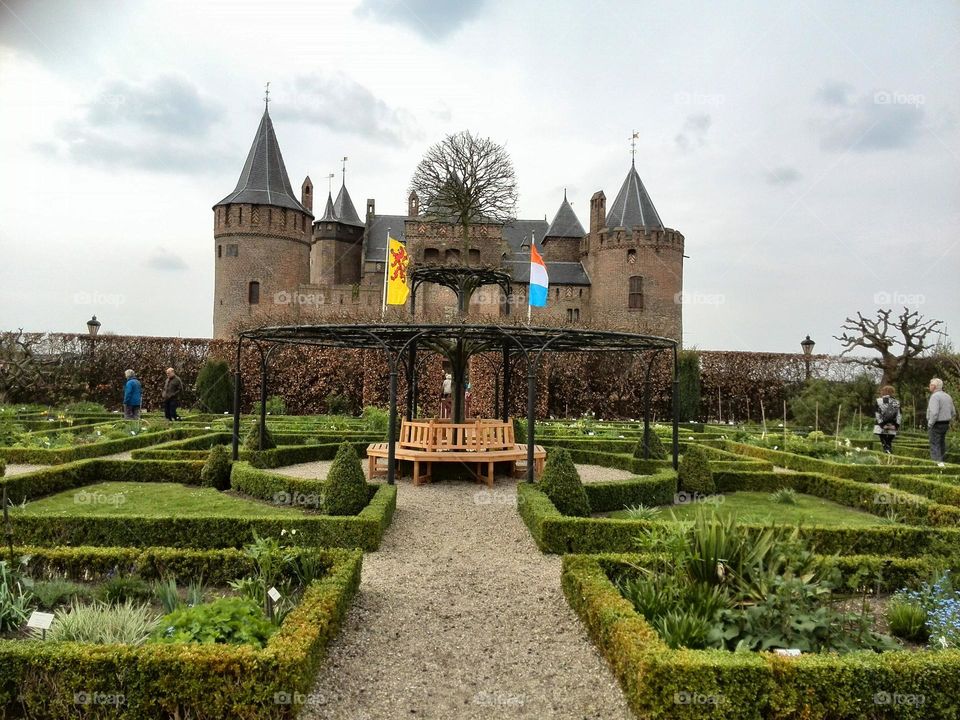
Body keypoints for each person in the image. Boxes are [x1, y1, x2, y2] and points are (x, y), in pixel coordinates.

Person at [927, 378, 956, 466]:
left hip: (936, 424)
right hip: (945, 424)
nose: (929, 386)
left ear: (934, 386)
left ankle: (937, 465)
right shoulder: (947, 396)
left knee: (934, 444)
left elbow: (934, 413)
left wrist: (930, 423)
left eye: (930, 384)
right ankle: (943, 462)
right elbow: (953, 412)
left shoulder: (935, 396)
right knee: (941, 443)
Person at [873, 385, 901, 454]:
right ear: (892, 392)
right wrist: (896, 425)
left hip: (881, 426)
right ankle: (889, 455)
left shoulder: (878, 401)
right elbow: (899, 415)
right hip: (892, 426)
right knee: (888, 443)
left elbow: (877, 415)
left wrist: (882, 425)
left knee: (885, 444)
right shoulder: (896, 402)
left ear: (883, 392)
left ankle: (888, 455)